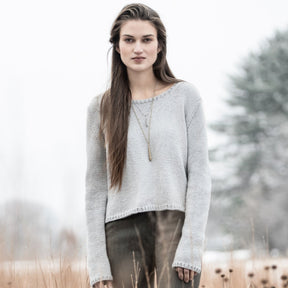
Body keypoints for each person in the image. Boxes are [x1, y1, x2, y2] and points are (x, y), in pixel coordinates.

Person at [85, 3, 212, 288]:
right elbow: (95, 190)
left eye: (147, 39)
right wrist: (98, 266)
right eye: (129, 40)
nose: (138, 48)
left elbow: (200, 175)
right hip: (121, 230)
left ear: (159, 46)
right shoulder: (101, 108)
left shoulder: (185, 97)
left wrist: (191, 245)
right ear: (117, 47)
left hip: (175, 226)